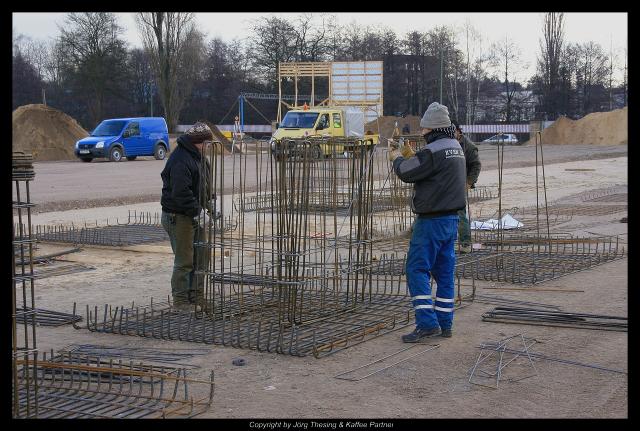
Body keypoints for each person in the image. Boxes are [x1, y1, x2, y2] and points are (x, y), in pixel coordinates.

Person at [388, 102, 466, 341]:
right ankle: (445, 323)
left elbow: (408, 173)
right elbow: (429, 170)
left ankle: (426, 322)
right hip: (451, 220)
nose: (422, 133)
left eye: (423, 130)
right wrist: (413, 156)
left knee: (416, 269)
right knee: (444, 273)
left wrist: (397, 158)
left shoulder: (433, 151)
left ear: (432, 129)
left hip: (431, 221)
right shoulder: (455, 147)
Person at [160, 121, 214, 312]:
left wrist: (210, 206)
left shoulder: (200, 158)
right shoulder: (180, 160)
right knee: (185, 260)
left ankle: (197, 297)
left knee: (202, 256)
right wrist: (198, 212)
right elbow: (181, 193)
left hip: (193, 212)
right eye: (207, 144)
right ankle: (181, 301)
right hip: (178, 215)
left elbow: (204, 188)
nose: (209, 148)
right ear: (197, 142)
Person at [451, 120, 481, 254]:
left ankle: (465, 243)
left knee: (460, 213)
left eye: (453, 132)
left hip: (460, 184)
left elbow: (476, 165)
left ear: (458, 131)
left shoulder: (468, 146)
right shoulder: (448, 143)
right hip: (447, 183)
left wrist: (469, 182)